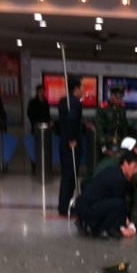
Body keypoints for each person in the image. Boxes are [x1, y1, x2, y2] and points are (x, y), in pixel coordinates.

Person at [74, 151, 137, 239]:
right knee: (119, 205)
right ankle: (104, 230)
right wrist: (124, 228)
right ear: (125, 164)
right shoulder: (119, 179)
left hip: (83, 205)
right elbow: (120, 207)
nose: (136, 171)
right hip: (89, 207)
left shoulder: (112, 171)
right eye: (134, 167)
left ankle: (91, 224)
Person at [58, 76, 83, 216]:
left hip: (63, 143)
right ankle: (64, 207)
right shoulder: (75, 103)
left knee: (66, 175)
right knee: (70, 176)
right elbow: (72, 120)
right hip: (71, 145)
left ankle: (64, 204)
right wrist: (73, 138)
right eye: (81, 87)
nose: (83, 90)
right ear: (76, 88)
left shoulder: (62, 101)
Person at [94, 85, 130, 158]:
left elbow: (124, 127)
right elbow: (99, 128)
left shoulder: (122, 108)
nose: (119, 100)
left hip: (119, 142)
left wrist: (125, 143)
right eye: (117, 97)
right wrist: (104, 147)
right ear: (111, 95)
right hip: (106, 142)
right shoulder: (103, 108)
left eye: (121, 97)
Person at [27, 84, 51, 174]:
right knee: (35, 147)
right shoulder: (33, 102)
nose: (42, 92)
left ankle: (45, 165)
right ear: (37, 92)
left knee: (45, 147)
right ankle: (34, 166)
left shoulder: (45, 101)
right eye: (41, 91)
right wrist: (35, 123)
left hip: (45, 129)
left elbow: (47, 114)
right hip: (36, 128)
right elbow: (30, 114)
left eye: (43, 91)